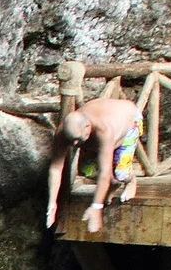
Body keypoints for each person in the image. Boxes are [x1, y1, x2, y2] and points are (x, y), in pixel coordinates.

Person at [46, 97, 143, 235]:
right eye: (71, 140)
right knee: (87, 171)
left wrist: (96, 207)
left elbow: (105, 172)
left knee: (120, 173)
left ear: (87, 127)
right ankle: (113, 184)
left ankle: (131, 181)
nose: (74, 144)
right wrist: (52, 203)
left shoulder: (104, 130)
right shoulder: (63, 132)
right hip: (98, 132)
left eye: (77, 139)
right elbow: (55, 168)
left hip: (128, 122)